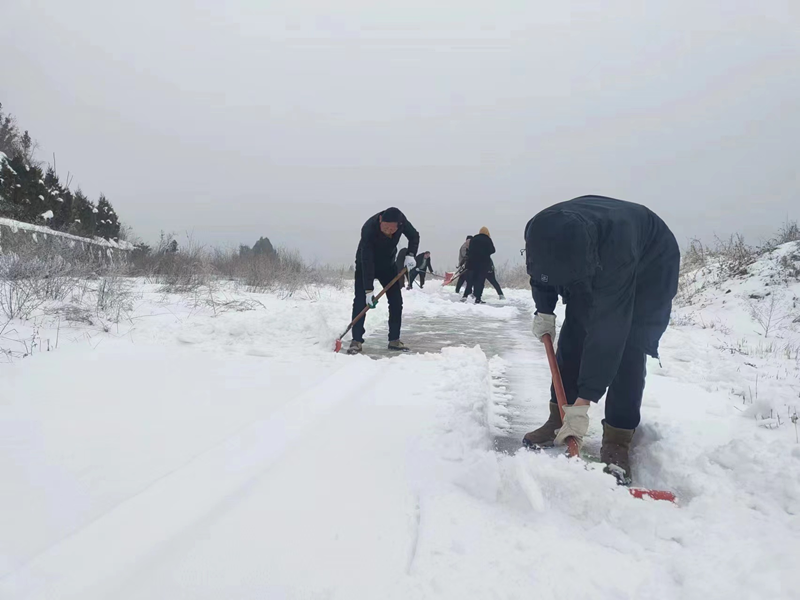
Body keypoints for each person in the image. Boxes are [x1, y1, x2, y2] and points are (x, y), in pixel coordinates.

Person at [521, 196, 680, 484]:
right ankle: (558, 418)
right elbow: (541, 274)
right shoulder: (540, 229)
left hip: (648, 265)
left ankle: (618, 438)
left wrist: (584, 402)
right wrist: (544, 310)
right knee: (574, 332)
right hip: (592, 256)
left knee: (627, 345)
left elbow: (610, 331)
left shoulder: (618, 250)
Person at [348, 207, 419, 355]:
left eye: (392, 229)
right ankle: (356, 340)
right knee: (360, 300)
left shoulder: (402, 221)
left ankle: (394, 340)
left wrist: (411, 254)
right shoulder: (368, 228)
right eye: (386, 228)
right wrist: (369, 290)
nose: (389, 232)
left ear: (399, 225)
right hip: (365, 264)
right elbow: (367, 260)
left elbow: (414, 236)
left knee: (396, 301)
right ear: (380, 220)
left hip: (388, 265)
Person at [461, 227, 495, 303]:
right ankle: (478, 298)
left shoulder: (474, 239)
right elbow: (492, 250)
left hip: (472, 263)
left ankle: (465, 296)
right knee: (480, 282)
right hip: (483, 264)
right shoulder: (487, 239)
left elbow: (470, 249)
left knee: (471, 281)